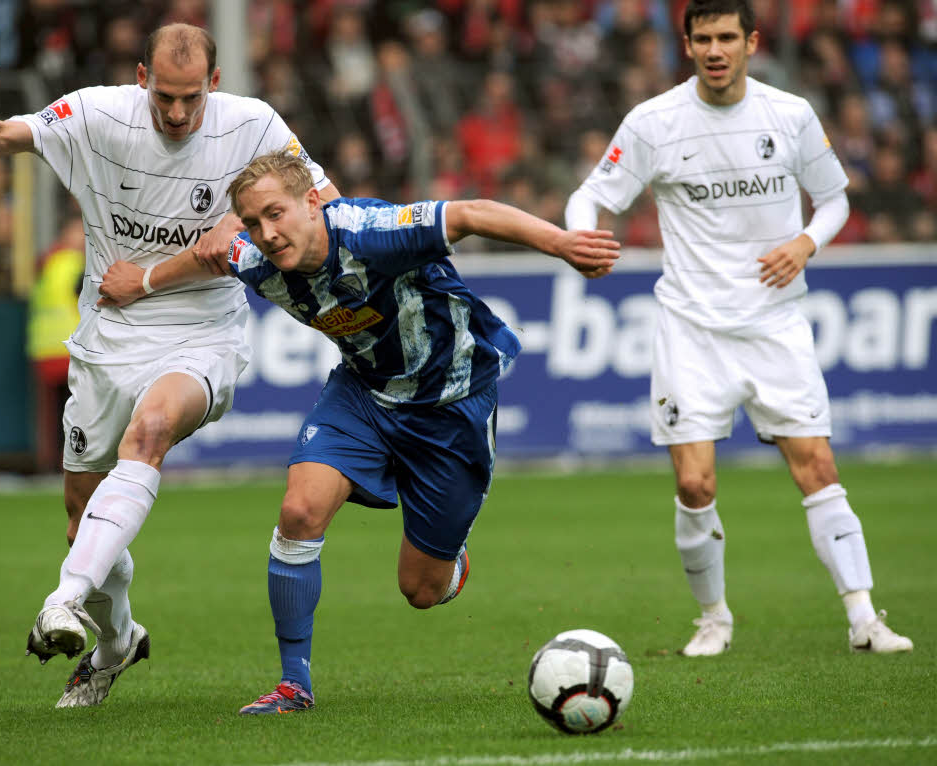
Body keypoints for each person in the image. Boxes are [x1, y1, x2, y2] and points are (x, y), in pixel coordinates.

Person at [96, 150, 622, 714]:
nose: (266, 234)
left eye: (275, 214)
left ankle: (451, 561)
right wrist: (143, 281)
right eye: (252, 222)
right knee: (299, 511)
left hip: (453, 405)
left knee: (420, 590)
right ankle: (294, 684)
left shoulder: (372, 234)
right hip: (364, 394)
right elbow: (212, 256)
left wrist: (562, 244)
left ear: (313, 201)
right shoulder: (259, 258)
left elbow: (470, 213)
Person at [0, 23, 340, 708]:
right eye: (165, 97)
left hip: (202, 334)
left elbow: (324, 206)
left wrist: (249, 232)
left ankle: (62, 600)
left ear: (215, 85)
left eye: (192, 98)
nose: (179, 114)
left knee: (151, 430)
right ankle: (118, 640)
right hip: (107, 335)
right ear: (141, 77)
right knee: (80, 517)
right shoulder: (94, 114)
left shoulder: (255, 126)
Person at [565, 0, 912, 657]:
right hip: (691, 327)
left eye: (728, 37)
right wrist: (581, 233)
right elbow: (593, 193)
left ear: (751, 41)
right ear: (687, 44)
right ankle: (714, 617)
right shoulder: (655, 122)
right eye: (703, 38)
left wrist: (805, 244)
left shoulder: (790, 115)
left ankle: (865, 620)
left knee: (818, 466)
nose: (716, 49)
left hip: (774, 323)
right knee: (695, 484)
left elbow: (835, 199)